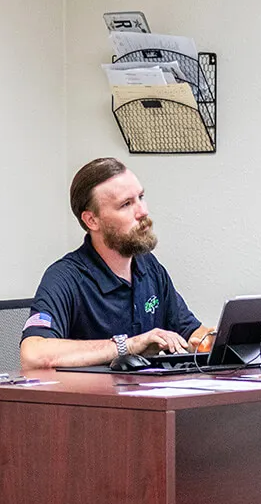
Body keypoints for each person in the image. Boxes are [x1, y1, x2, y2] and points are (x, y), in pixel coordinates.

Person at [19, 158, 214, 369]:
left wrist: (214, 340)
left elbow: (192, 332)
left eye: (141, 197)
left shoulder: (149, 268)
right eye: (126, 204)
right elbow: (33, 354)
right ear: (91, 220)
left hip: (148, 396)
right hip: (95, 400)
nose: (142, 212)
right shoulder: (65, 277)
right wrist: (128, 345)